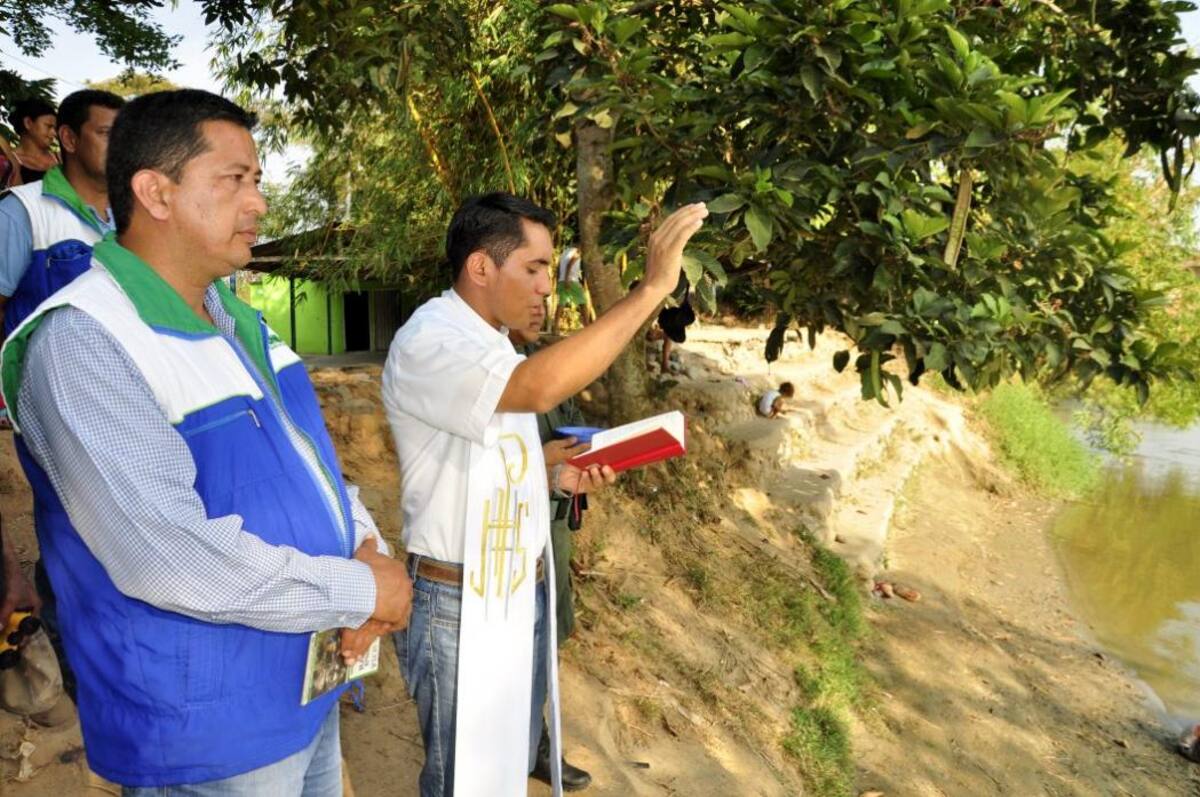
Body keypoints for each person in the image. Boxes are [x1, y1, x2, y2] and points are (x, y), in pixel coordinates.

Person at [0, 88, 413, 793]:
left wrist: (366, 545)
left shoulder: (239, 324)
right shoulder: (85, 341)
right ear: (156, 192)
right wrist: (356, 588)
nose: (258, 204)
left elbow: (311, 466)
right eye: (235, 180)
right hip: (206, 731)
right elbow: (166, 554)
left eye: (257, 181)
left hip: (304, 687)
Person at [383, 192, 706, 795]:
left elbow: (488, 461)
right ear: (481, 268)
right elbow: (536, 389)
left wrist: (551, 474)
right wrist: (650, 290)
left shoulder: (493, 342)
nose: (545, 287)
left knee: (505, 771)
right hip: (459, 601)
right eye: (533, 268)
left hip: (516, 590)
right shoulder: (431, 338)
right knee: (465, 783)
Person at [0, 87, 125, 693]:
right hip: (55, 419)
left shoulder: (134, 218)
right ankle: (83, 684)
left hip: (136, 411)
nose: (119, 145)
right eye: (106, 132)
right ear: (69, 138)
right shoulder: (24, 213)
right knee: (77, 540)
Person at [509, 311, 593, 792]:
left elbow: (576, 431)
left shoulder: (550, 369)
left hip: (554, 529)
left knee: (547, 640)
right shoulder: (498, 376)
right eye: (532, 273)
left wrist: (593, 460)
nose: (541, 301)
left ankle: (537, 745)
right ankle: (519, 747)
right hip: (512, 535)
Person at [6, 98, 59, 186]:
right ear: (28, 123)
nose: (54, 133)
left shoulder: (60, 159)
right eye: (48, 126)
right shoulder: (9, 163)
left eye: (55, 128)